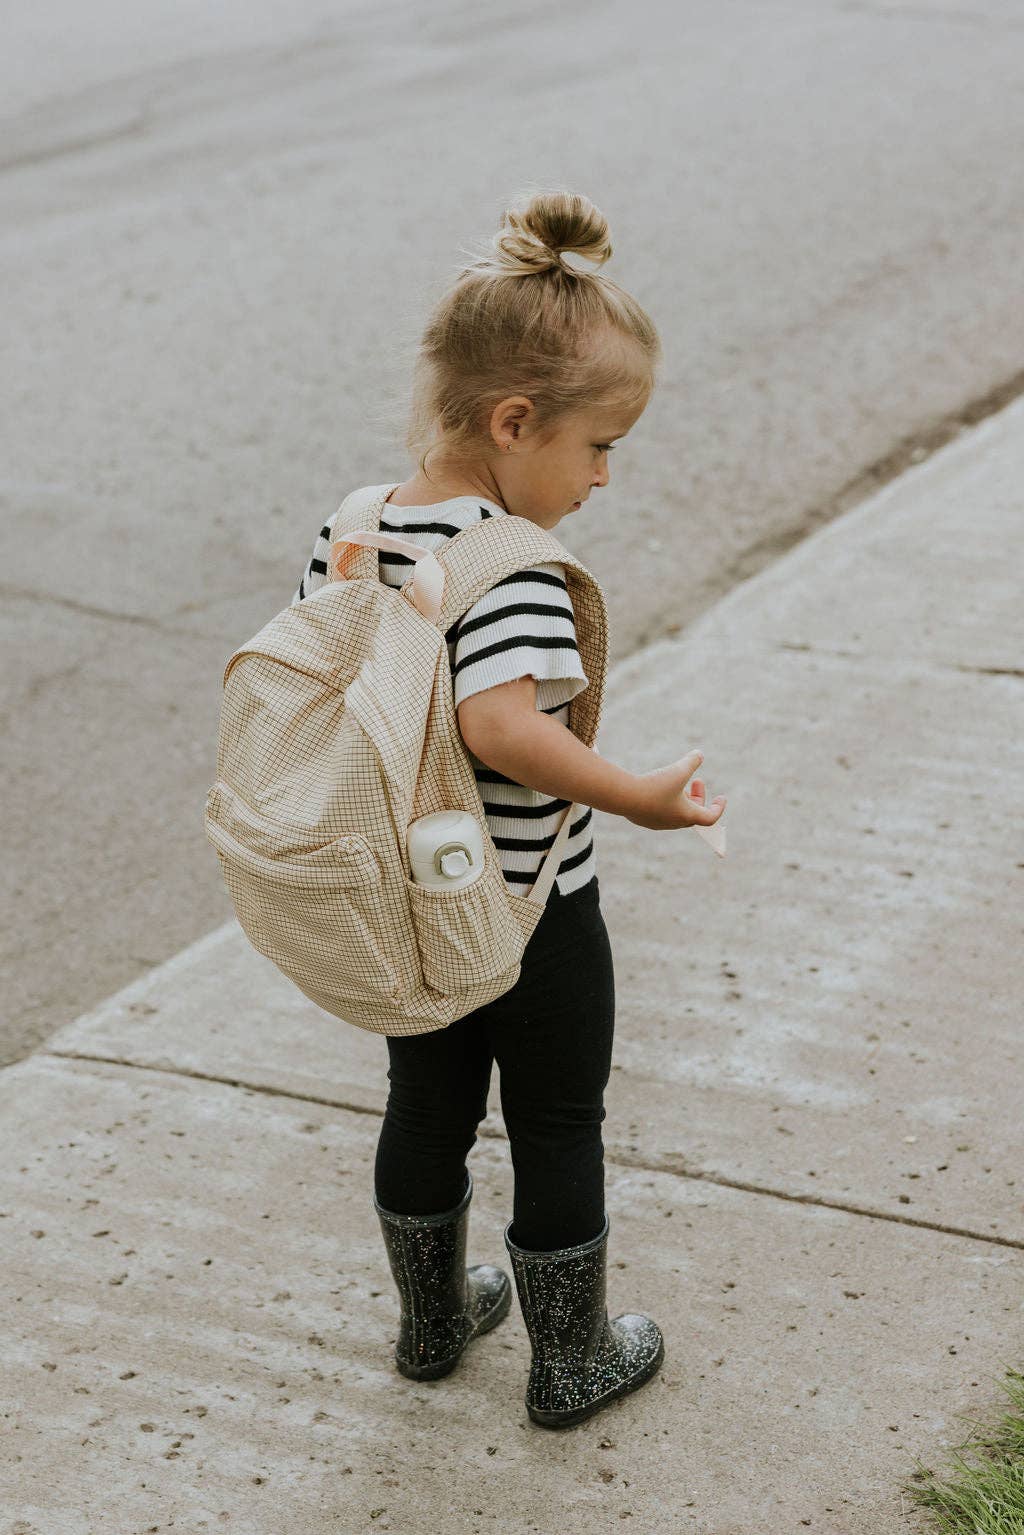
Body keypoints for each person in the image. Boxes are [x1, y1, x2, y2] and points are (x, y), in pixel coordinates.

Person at [292, 187, 726, 1430]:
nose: (601, 476)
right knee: (553, 1117)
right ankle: (569, 1354)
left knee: (424, 1100)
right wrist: (635, 798)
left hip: (405, 901)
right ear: (514, 418)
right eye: (598, 446)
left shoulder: (357, 524)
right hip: (530, 906)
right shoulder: (514, 563)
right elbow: (504, 728)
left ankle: (432, 1321)